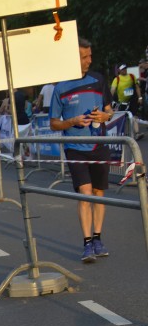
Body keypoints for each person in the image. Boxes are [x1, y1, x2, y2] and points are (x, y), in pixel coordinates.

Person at [50, 37, 113, 263]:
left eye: (90, 56)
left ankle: (98, 239)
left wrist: (104, 116)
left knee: (98, 192)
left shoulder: (98, 80)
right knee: (85, 193)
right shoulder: (60, 87)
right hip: (75, 147)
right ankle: (87, 244)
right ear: (72, 58)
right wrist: (72, 121)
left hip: (99, 144)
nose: (89, 60)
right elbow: (53, 123)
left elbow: (109, 111)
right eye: (84, 57)